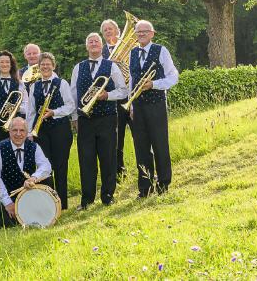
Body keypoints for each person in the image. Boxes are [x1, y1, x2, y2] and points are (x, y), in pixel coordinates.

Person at [71, 33, 128, 209]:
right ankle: (86, 200)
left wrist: (107, 95)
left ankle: (108, 196)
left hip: (107, 118)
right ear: (86, 46)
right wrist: (75, 117)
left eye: (96, 41)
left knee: (108, 158)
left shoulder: (111, 66)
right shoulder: (78, 68)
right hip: (85, 120)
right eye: (90, 42)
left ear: (101, 45)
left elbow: (123, 90)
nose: (93, 44)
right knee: (86, 159)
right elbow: (73, 95)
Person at [128, 20, 179, 197]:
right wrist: (130, 103)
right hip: (138, 106)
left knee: (160, 145)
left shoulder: (161, 50)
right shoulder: (132, 53)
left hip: (156, 104)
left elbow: (174, 77)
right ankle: (145, 187)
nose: (140, 34)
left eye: (144, 31)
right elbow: (132, 82)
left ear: (152, 33)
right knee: (141, 148)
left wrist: (154, 84)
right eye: (138, 32)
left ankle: (163, 184)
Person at [25, 52, 74, 210]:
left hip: (60, 129)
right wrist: (29, 132)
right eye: (42, 64)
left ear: (53, 66)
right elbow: (31, 111)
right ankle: (48, 202)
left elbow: (70, 106)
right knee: (44, 166)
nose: (45, 67)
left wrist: (54, 112)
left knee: (60, 166)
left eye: (48, 64)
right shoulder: (34, 86)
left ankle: (62, 203)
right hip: (41, 131)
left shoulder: (62, 83)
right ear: (38, 68)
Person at [0, 117, 52, 228]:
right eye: (14, 130)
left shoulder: (34, 147)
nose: (18, 134)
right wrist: (7, 203)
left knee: (32, 220)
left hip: (28, 192)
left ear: (26, 132)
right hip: (6, 194)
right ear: (9, 131)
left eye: (22, 130)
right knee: (10, 224)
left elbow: (46, 166)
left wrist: (33, 178)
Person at [101, 19, 132, 178]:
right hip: (114, 100)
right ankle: (119, 173)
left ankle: (146, 170)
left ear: (118, 31)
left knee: (140, 136)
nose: (108, 32)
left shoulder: (130, 48)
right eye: (105, 30)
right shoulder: (101, 53)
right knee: (116, 139)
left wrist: (121, 64)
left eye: (110, 29)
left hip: (133, 97)